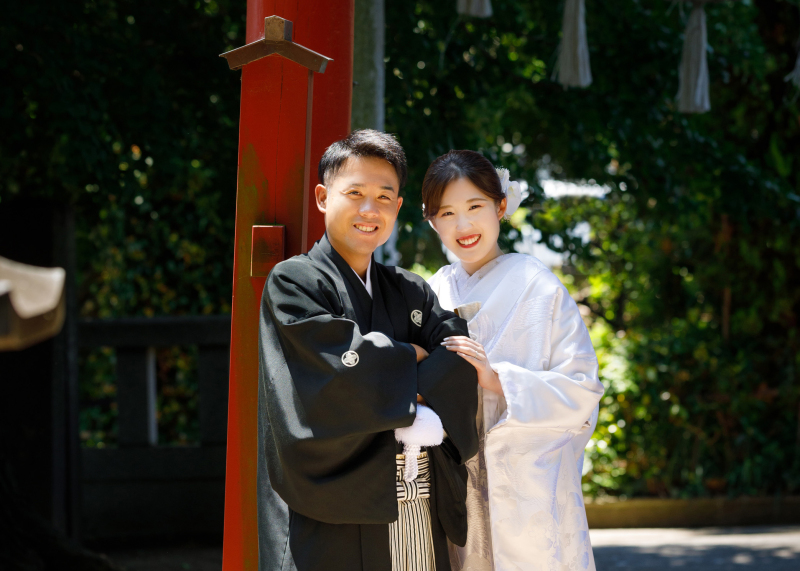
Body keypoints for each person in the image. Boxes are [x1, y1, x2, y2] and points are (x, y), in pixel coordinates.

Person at [257, 131, 480, 571]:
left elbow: (459, 355)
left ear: (397, 207)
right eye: (354, 192)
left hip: (416, 498)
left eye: (383, 196)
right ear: (323, 197)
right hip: (329, 508)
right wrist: (414, 358)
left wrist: (393, 370)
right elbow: (337, 376)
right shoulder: (294, 283)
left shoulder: (409, 289)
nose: (368, 209)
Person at [422, 150, 604, 571]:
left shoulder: (539, 286)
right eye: (446, 213)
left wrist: (499, 378)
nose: (463, 226)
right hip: (455, 486)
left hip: (530, 489)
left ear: (500, 207)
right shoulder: (431, 293)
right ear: (431, 220)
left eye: (475, 207)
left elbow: (582, 388)